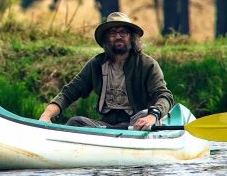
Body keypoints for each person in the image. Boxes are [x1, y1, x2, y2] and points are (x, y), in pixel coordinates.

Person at [38, 12, 173, 131]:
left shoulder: (147, 64)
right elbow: (69, 92)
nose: (118, 36)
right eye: (113, 33)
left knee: (142, 118)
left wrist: (152, 116)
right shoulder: (96, 64)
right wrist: (46, 115)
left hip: (137, 124)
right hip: (107, 126)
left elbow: (164, 95)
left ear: (132, 37)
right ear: (106, 39)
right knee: (75, 122)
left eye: (123, 32)